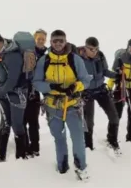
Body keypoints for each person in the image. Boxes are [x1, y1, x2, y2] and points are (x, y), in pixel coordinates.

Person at [33, 30, 92, 179]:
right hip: (53, 107)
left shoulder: (75, 59)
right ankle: (62, 167)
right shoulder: (44, 61)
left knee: (78, 138)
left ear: (65, 41)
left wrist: (75, 87)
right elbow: (36, 82)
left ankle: (81, 168)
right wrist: (52, 87)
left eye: (61, 41)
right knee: (59, 138)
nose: (58, 44)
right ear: (50, 42)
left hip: (72, 105)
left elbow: (86, 80)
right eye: (55, 41)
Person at [0, 31, 37, 162]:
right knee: (5, 123)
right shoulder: (3, 52)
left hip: (17, 93)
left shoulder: (12, 55)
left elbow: (13, 79)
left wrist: (0, 92)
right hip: (5, 92)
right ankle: (0, 154)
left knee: (17, 124)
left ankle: (21, 155)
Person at [77, 37, 120, 153]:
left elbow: (105, 71)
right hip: (86, 92)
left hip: (101, 90)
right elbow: (75, 77)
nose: (94, 51)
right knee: (88, 121)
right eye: (91, 49)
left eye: (96, 49)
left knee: (114, 116)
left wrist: (116, 75)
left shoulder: (100, 56)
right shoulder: (78, 58)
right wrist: (78, 92)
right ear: (85, 48)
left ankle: (112, 141)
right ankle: (88, 146)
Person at [25, 29, 48, 157]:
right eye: (38, 38)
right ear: (34, 39)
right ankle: (25, 146)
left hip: (37, 91)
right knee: (23, 120)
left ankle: (35, 147)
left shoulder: (47, 54)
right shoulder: (28, 52)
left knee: (33, 121)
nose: (40, 41)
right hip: (25, 89)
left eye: (43, 39)